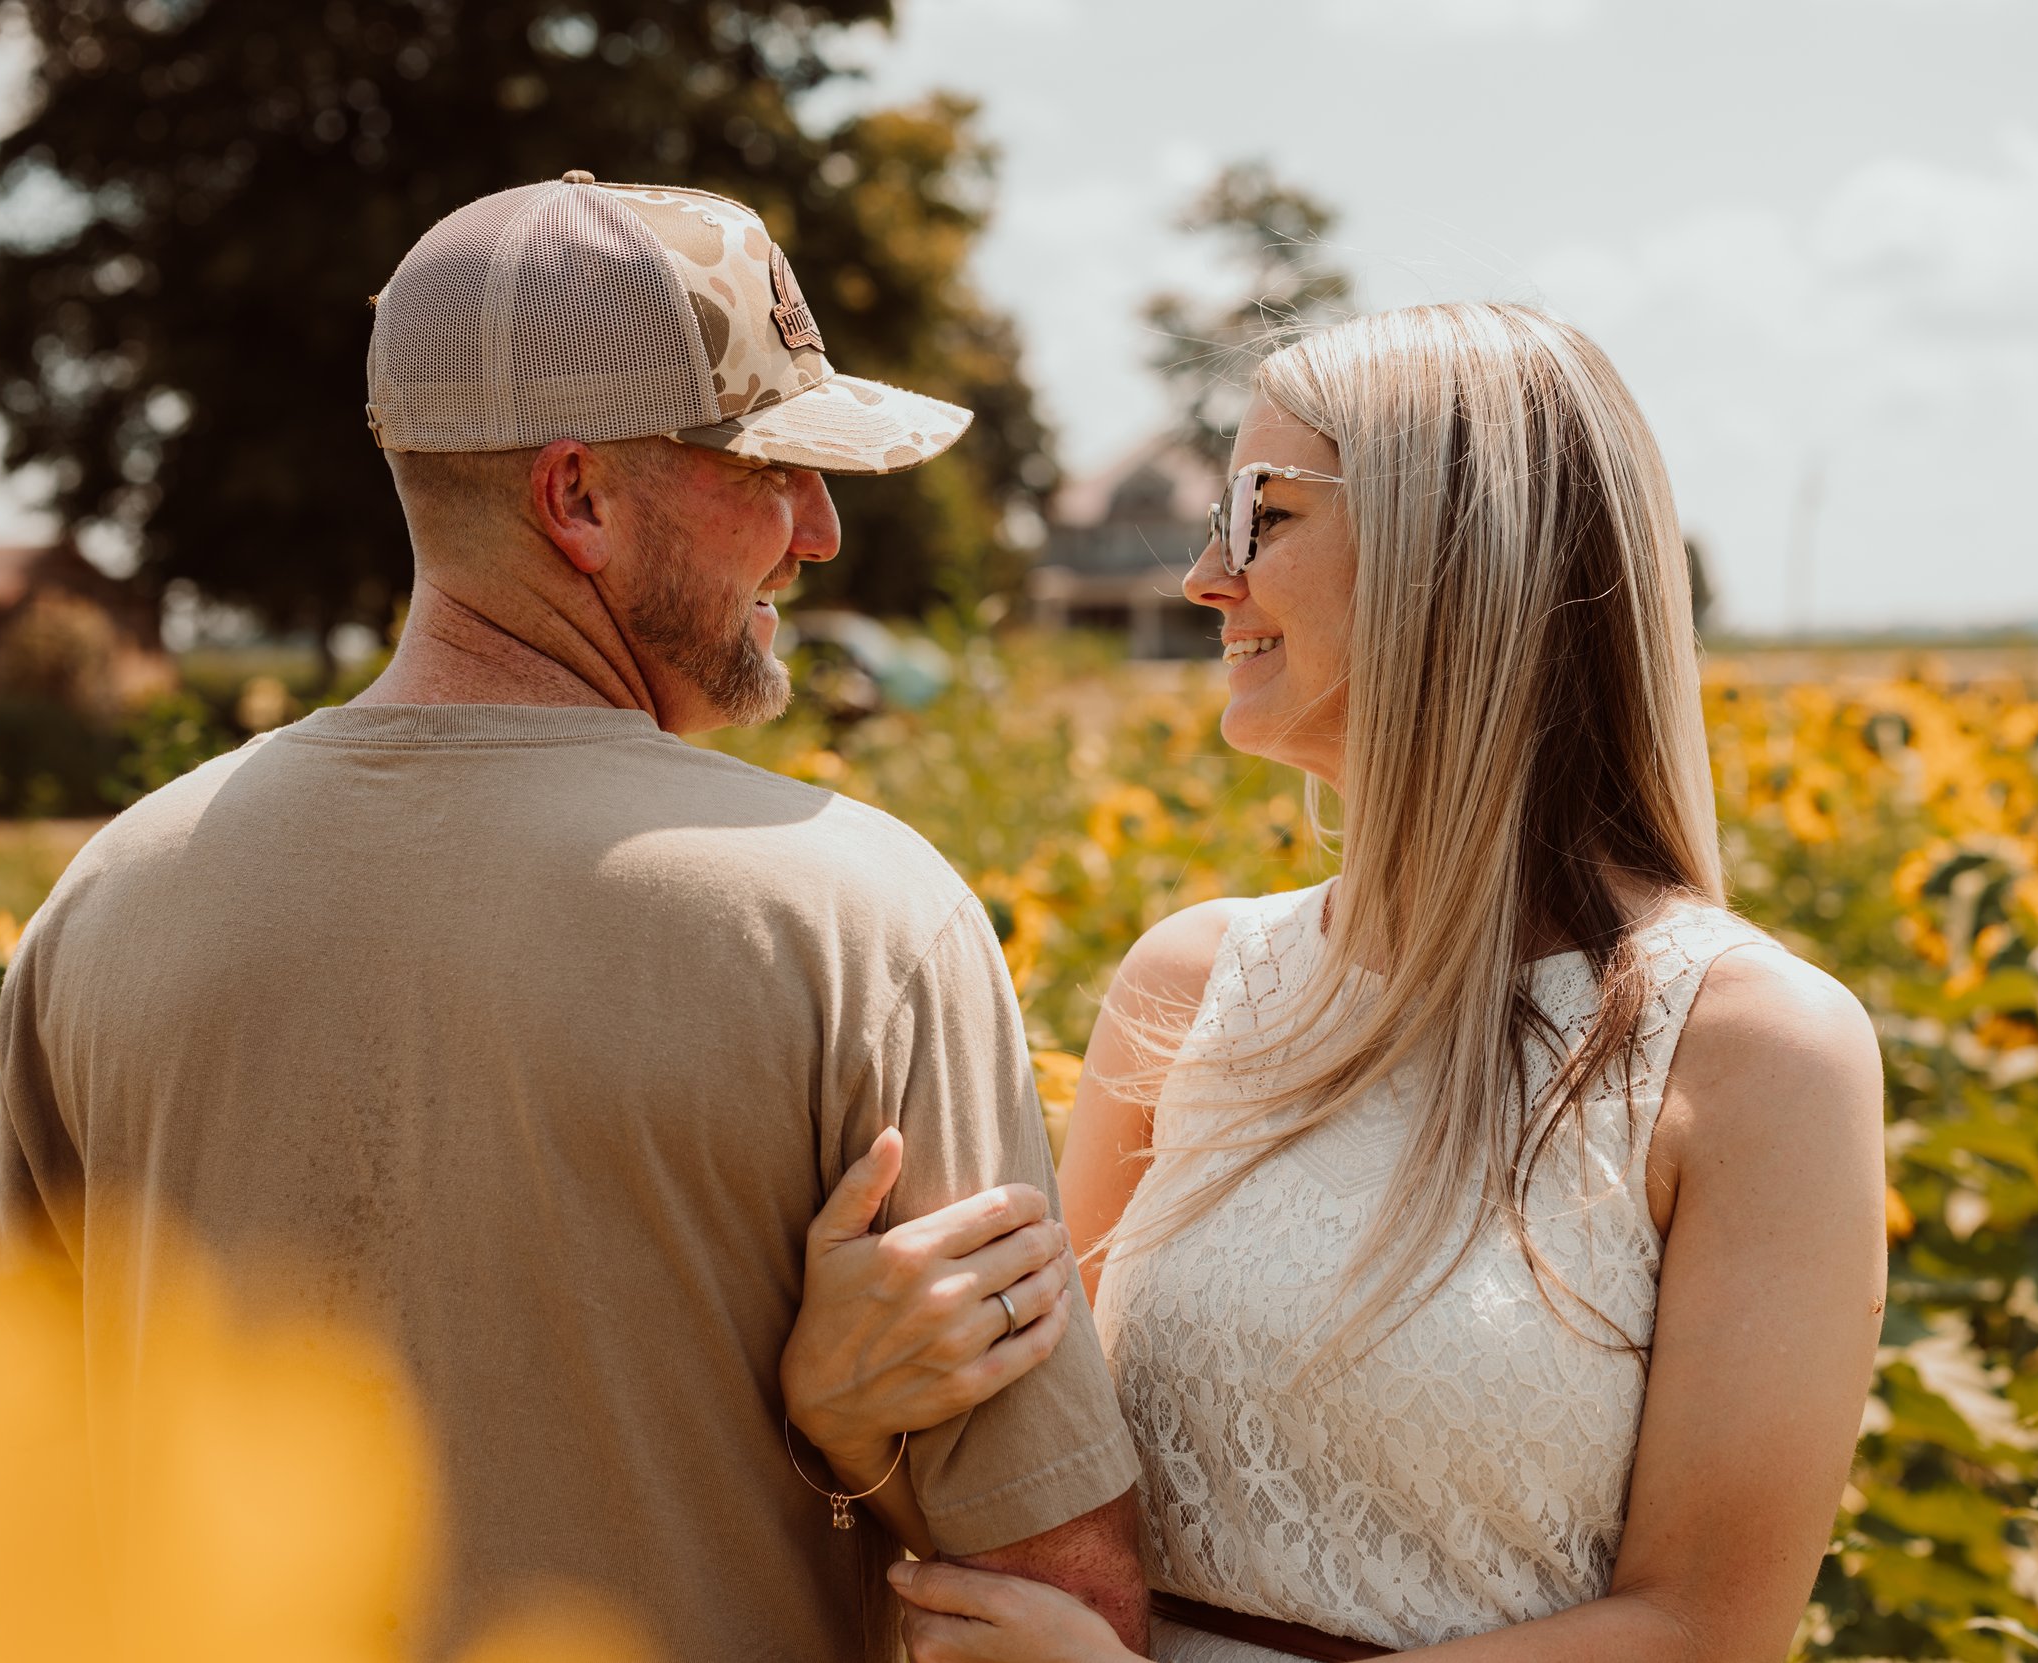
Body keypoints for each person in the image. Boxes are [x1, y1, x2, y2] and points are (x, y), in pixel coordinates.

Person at [0, 173, 1144, 1663]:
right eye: (771, 467)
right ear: (579, 497)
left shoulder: (105, 902)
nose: (823, 533)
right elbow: (1055, 1604)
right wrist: (837, 1448)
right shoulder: (858, 912)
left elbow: (33, 1527)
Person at [780, 302, 1889, 1662]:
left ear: (1455, 557)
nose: (1204, 576)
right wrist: (851, 1417)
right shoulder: (1185, 983)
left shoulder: (1752, 1049)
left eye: (1261, 515)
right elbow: (1040, 1497)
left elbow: (1703, 1633)